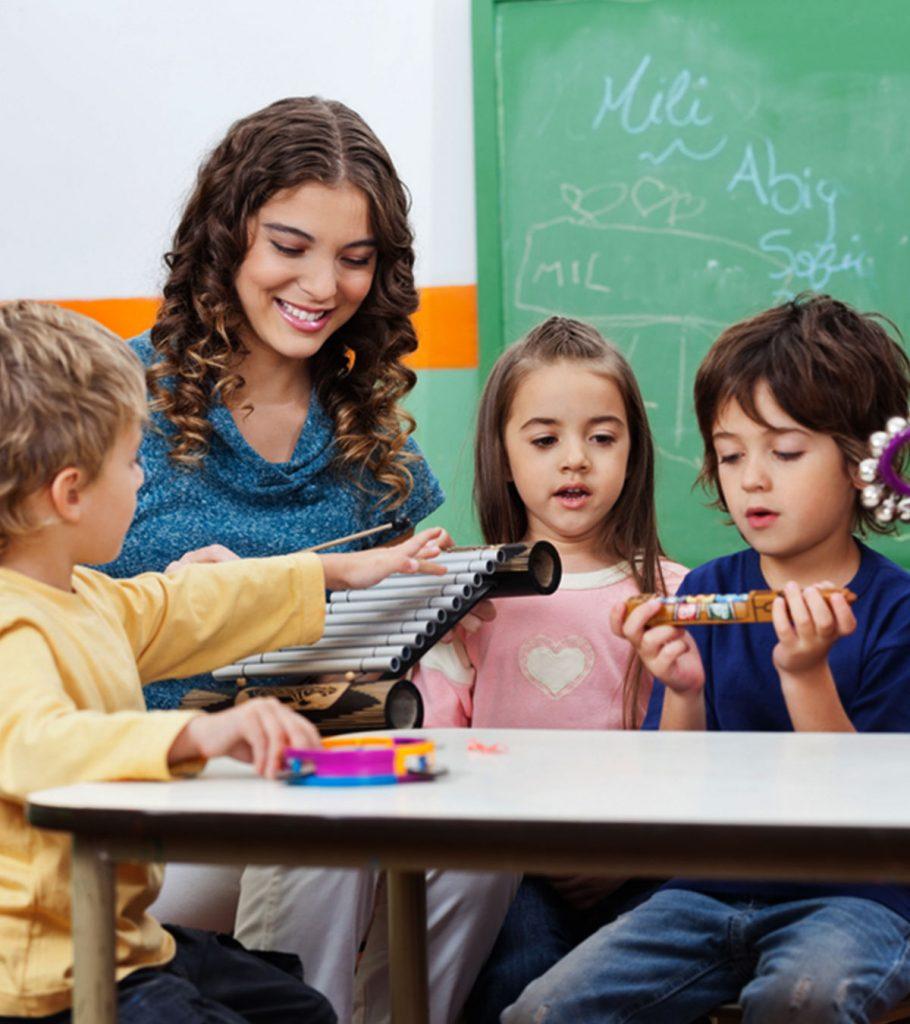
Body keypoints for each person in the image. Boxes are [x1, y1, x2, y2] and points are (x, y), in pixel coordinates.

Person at [0, 301, 448, 1023]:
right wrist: (193, 735)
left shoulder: (86, 597)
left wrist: (340, 572)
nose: (141, 480)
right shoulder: (11, 624)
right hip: (50, 977)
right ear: (70, 494)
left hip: (126, 942)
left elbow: (193, 605)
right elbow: (37, 745)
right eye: (128, 462)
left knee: (298, 1008)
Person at [504, 294, 910, 1024]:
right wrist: (683, 691)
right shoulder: (711, 590)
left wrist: (806, 675)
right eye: (729, 454)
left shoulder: (896, 614)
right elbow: (674, 800)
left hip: (858, 897)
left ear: (861, 462)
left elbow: (868, 823)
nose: (751, 477)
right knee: (541, 1011)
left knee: (801, 1002)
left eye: (784, 452)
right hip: (708, 889)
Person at [103, 95, 444, 712]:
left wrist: (442, 615)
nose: (321, 287)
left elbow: (376, 670)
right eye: (289, 248)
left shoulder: (378, 446)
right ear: (225, 237)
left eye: (355, 260)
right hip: (126, 787)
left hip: (323, 791)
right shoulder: (110, 394)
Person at [392, 316, 684, 1024]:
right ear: (505, 452)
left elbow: (695, 762)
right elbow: (431, 755)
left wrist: (629, 853)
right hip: (508, 868)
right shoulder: (467, 598)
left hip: (643, 860)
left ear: (633, 453)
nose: (575, 460)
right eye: (546, 439)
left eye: (602, 438)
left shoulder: (675, 596)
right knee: (520, 981)